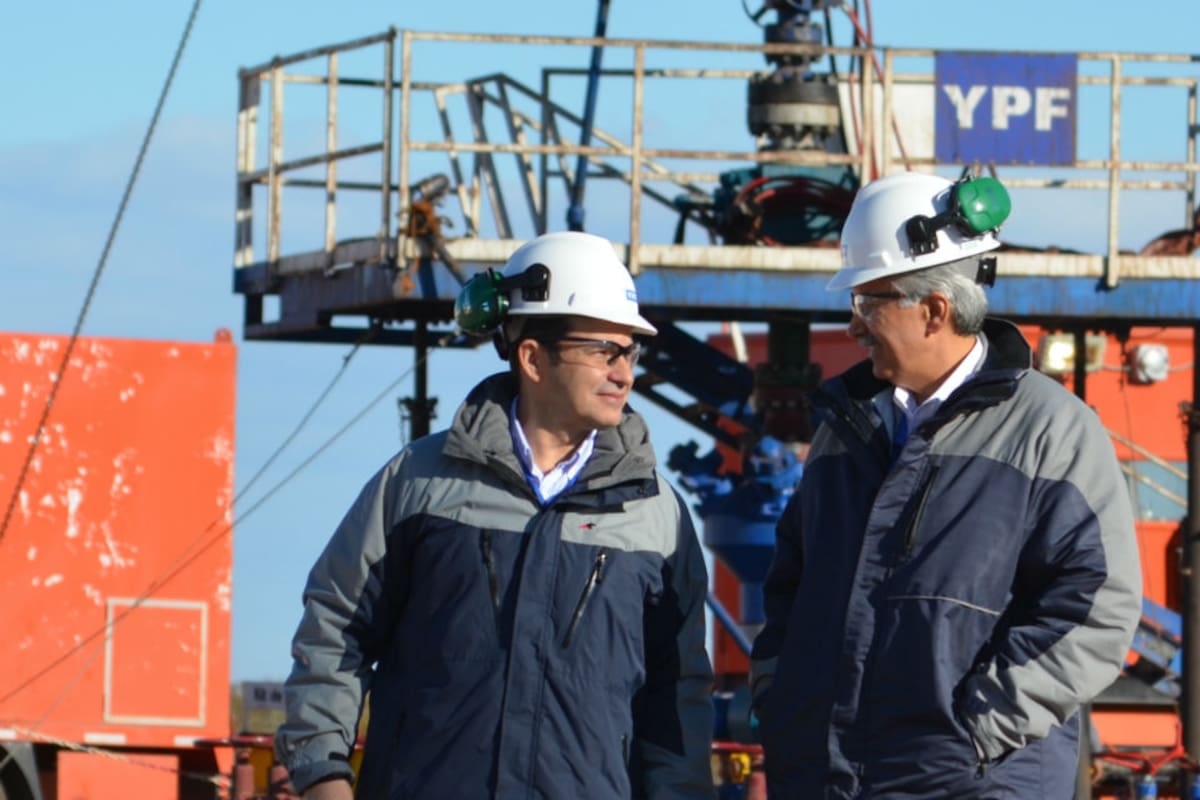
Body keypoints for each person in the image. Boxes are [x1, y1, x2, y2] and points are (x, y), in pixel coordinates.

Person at [275, 230, 715, 799]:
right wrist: (323, 776)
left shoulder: (656, 517)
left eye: (630, 351)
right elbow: (335, 630)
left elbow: (677, 697)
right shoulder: (419, 484)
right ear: (533, 357)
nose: (624, 373)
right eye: (604, 351)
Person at [749, 171, 1142, 799]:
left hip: (972, 779)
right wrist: (781, 695)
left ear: (933, 310)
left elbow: (1099, 606)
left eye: (867, 304)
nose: (853, 326)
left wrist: (981, 727)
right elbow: (790, 584)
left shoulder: (1052, 433)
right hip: (829, 775)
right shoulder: (846, 430)